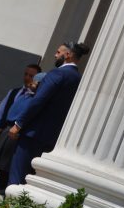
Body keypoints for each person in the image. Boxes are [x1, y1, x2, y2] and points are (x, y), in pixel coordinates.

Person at [6, 41, 90, 186]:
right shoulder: (78, 79)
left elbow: (38, 100)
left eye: (58, 52)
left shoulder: (58, 73)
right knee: (32, 181)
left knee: (17, 178)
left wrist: (18, 124)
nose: (55, 54)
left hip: (33, 134)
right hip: (52, 138)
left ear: (67, 55)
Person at [0, 64, 42, 192]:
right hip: (2, 131)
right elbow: (1, 109)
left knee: (5, 166)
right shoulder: (14, 92)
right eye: (26, 74)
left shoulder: (35, 99)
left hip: (15, 135)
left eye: (31, 76)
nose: (27, 78)